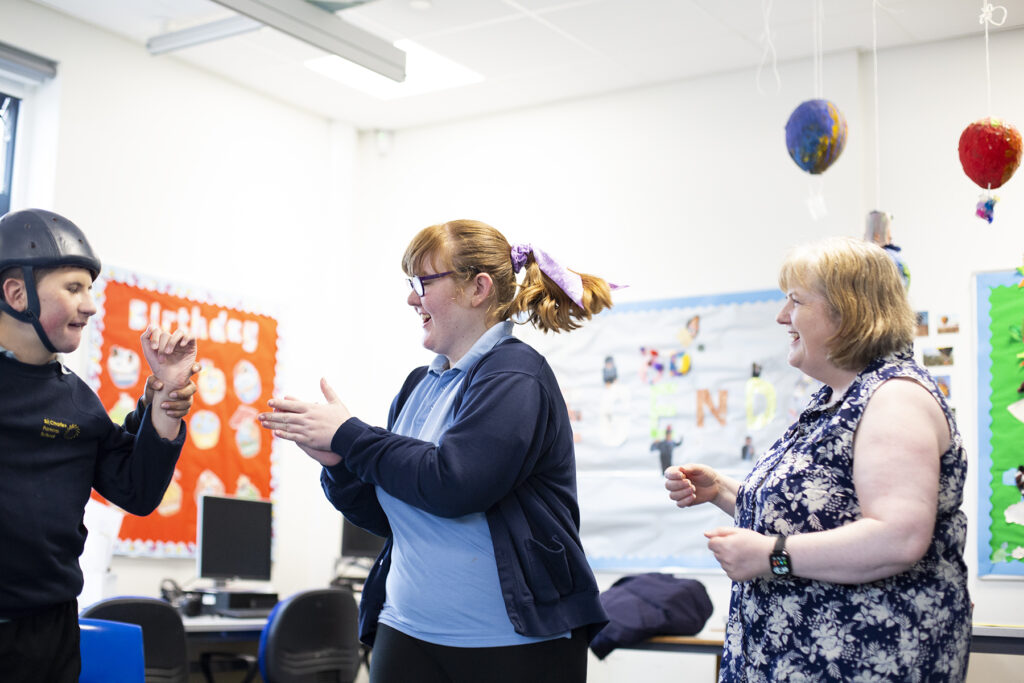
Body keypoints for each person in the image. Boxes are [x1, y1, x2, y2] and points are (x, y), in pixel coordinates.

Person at [258, 219, 613, 683]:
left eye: (423, 283)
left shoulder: (515, 375)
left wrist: (350, 435)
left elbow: (456, 483)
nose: (412, 299)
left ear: (478, 289)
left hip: (511, 644)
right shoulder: (418, 386)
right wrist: (341, 465)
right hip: (406, 632)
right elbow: (392, 514)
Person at [664, 236, 970, 681]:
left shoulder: (894, 398)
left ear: (848, 311)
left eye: (796, 301)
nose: (781, 316)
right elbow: (821, 512)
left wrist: (771, 555)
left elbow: (899, 537)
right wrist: (725, 491)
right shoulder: (838, 397)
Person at [0, 208, 198, 683]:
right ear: (17, 293)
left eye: (90, 289)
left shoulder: (76, 401)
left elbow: (138, 491)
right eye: (74, 288)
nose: (90, 305)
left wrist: (165, 400)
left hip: (50, 636)